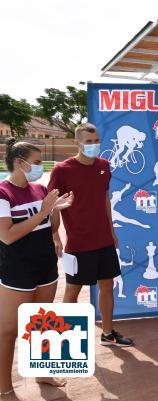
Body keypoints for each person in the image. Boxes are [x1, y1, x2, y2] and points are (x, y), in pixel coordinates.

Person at [48, 123, 134, 347]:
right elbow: (51, 206)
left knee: (108, 286)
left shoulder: (104, 165)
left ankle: (107, 334)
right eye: (88, 142)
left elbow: (104, 198)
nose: (94, 145)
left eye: (96, 141)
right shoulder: (62, 170)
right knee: (72, 291)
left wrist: (112, 230)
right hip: (77, 242)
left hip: (103, 239)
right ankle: (64, 339)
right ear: (77, 142)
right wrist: (55, 236)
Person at [0, 139, 73, 395]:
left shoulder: (40, 191)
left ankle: (42, 373)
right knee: (8, 332)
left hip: (46, 268)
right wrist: (42, 212)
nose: (40, 167)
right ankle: (5, 388)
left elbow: (50, 228)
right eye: (37, 162)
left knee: (40, 323)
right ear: (19, 163)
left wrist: (56, 209)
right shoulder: (3, 193)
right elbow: (7, 235)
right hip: (18, 270)